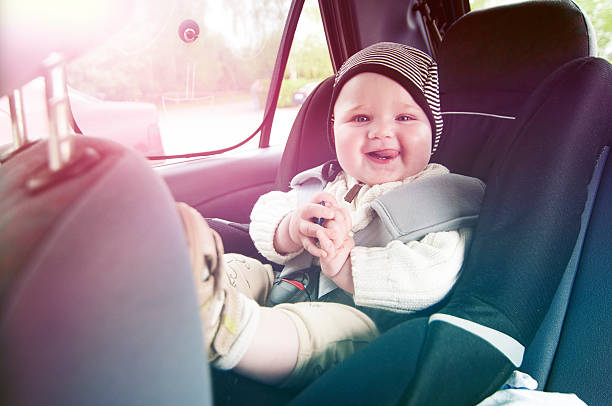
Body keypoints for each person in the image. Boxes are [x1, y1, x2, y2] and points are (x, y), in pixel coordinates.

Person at [177, 42, 483, 389]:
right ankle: (186, 291)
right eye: (361, 118)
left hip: (361, 323)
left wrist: (346, 265)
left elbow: (432, 275)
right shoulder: (327, 181)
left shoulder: (442, 200)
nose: (381, 131)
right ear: (335, 130)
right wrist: (290, 227)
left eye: (405, 117)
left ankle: (223, 328)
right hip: (288, 283)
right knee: (242, 268)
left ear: (433, 129)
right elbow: (268, 208)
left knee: (313, 334)